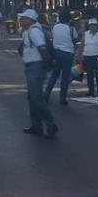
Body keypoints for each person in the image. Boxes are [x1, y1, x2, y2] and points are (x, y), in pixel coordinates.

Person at [18, 9, 57, 138]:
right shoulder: (27, 32)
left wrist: (46, 65)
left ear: (30, 20)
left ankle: (50, 125)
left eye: (23, 18)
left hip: (36, 67)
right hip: (31, 67)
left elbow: (42, 48)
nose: (20, 20)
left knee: (36, 98)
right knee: (32, 98)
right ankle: (36, 125)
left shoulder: (34, 31)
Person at [44, 11, 79, 105]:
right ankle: (62, 98)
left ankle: (47, 94)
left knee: (54, 75)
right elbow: (76, 38)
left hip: (56, 52)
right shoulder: (71, 28)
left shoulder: (55, 27)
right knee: (65, 76)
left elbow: (53, 36)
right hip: (68, 53)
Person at [81, 19, 98, 97]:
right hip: (87, 56)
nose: (92, 27)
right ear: (89, 26)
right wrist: (79, 55)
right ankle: (91, 91)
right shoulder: (85, 34)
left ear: (96, 25)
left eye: (94, 25)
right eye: (91, 25)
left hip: (97, 56)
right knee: (89, 75)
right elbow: (82, 44)